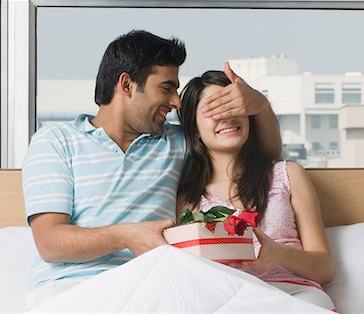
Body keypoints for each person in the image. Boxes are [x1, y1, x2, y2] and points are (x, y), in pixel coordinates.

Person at [22, 30, 282, 309]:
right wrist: (127, 235)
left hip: (155, 285)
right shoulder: (56, 142)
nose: (176, 102)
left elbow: (265, 155)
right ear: (127, 85)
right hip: (73, 289)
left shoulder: (176, 142)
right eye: (167, 88)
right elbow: (49, 242)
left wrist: (260, 106)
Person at [177, 70, 336, 311]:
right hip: (234, 301)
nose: (227, 117)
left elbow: (325, 268)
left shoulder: (288, 175)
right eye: (213, 110)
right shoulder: (189, 201)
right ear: (195, 129)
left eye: (232, 106)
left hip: (296, 296)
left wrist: (280, 254)